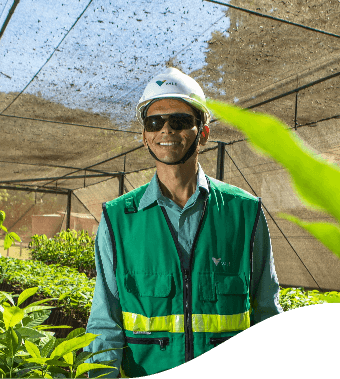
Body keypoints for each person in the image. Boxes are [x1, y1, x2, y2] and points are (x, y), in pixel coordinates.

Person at [83, 67, 282, 378]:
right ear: (144, 137)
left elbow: (266, 309)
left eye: (179, 121)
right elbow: (104, 326)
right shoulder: (118, 219)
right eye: (154, 122)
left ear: (202, 133)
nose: (166, 130)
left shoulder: (244, 212)